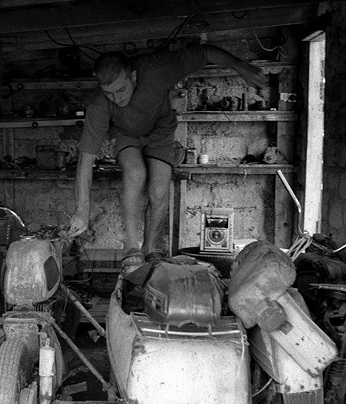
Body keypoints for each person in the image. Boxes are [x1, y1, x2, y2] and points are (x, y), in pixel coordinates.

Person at [67, 43, 269, 269]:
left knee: (159, 187)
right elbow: (85, 160)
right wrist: (82, 211)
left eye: (121, 90)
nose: (116, 99)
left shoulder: (156, 69)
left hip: (160, 131)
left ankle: (150, 249)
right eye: (109, 93)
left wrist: (241, 67)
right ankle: (132, 248)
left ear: (133, 76)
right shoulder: (99, 104)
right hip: (127, 134)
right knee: (135, 173)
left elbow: (204, 52)